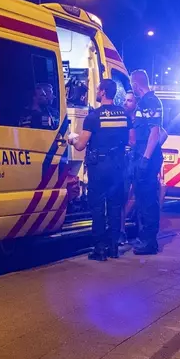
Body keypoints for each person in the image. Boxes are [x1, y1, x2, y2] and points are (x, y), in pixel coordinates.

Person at [68, 79, 129, 261]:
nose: (96, 92)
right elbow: (130, 140)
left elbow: (80, 145)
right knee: (115, 206)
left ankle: (99, 249)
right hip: (118, 166)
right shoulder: (124, 114)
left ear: (103, 92)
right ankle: (113, 248)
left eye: (97, 89)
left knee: (97, 207)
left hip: (99, 167)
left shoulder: (94, 116)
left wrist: (72, 138)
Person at [120, 90, 168, 245]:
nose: (126, 103)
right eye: (125, 100)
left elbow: (162, 133)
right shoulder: (124, 118)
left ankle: (143, 234)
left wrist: (150, 149)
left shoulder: (142, 118)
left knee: (142, 198)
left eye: (129, 101)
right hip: (128, 161)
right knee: (124, 197)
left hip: (138, 160)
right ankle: (121, 231)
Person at [129, 70, 164, 255]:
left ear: (135, 84)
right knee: (142, 199)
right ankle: (145, 239)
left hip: (147, 157)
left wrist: (145, 159)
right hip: (142, 155)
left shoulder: (150, 101)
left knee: (148, 199)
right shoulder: (145, 102)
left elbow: (154, 133)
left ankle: (149, 242)